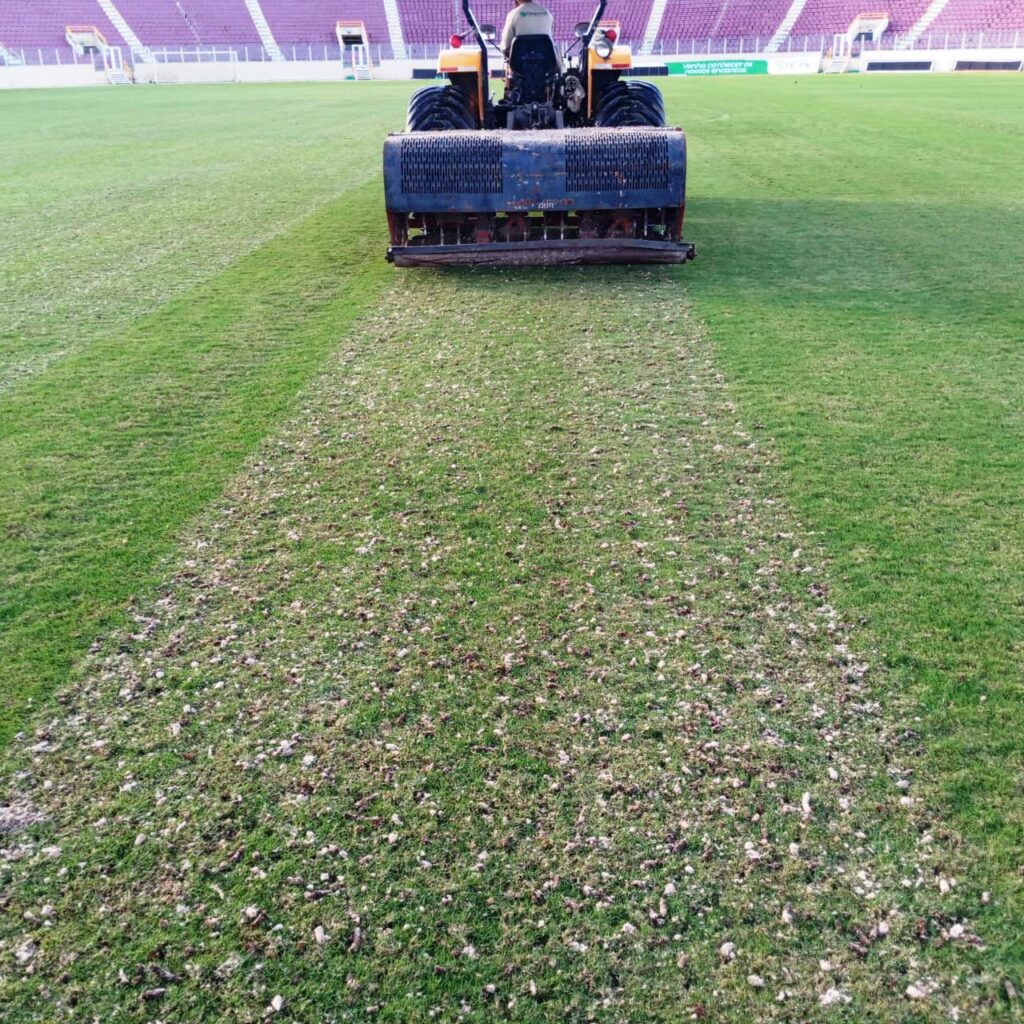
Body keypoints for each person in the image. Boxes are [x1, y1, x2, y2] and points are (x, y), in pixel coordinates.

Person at [500, 0, 562, 70]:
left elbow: (505, 46)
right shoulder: (547, 13)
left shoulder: (513, 14)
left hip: (520, 67)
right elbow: (550, 39)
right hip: (545, 66)